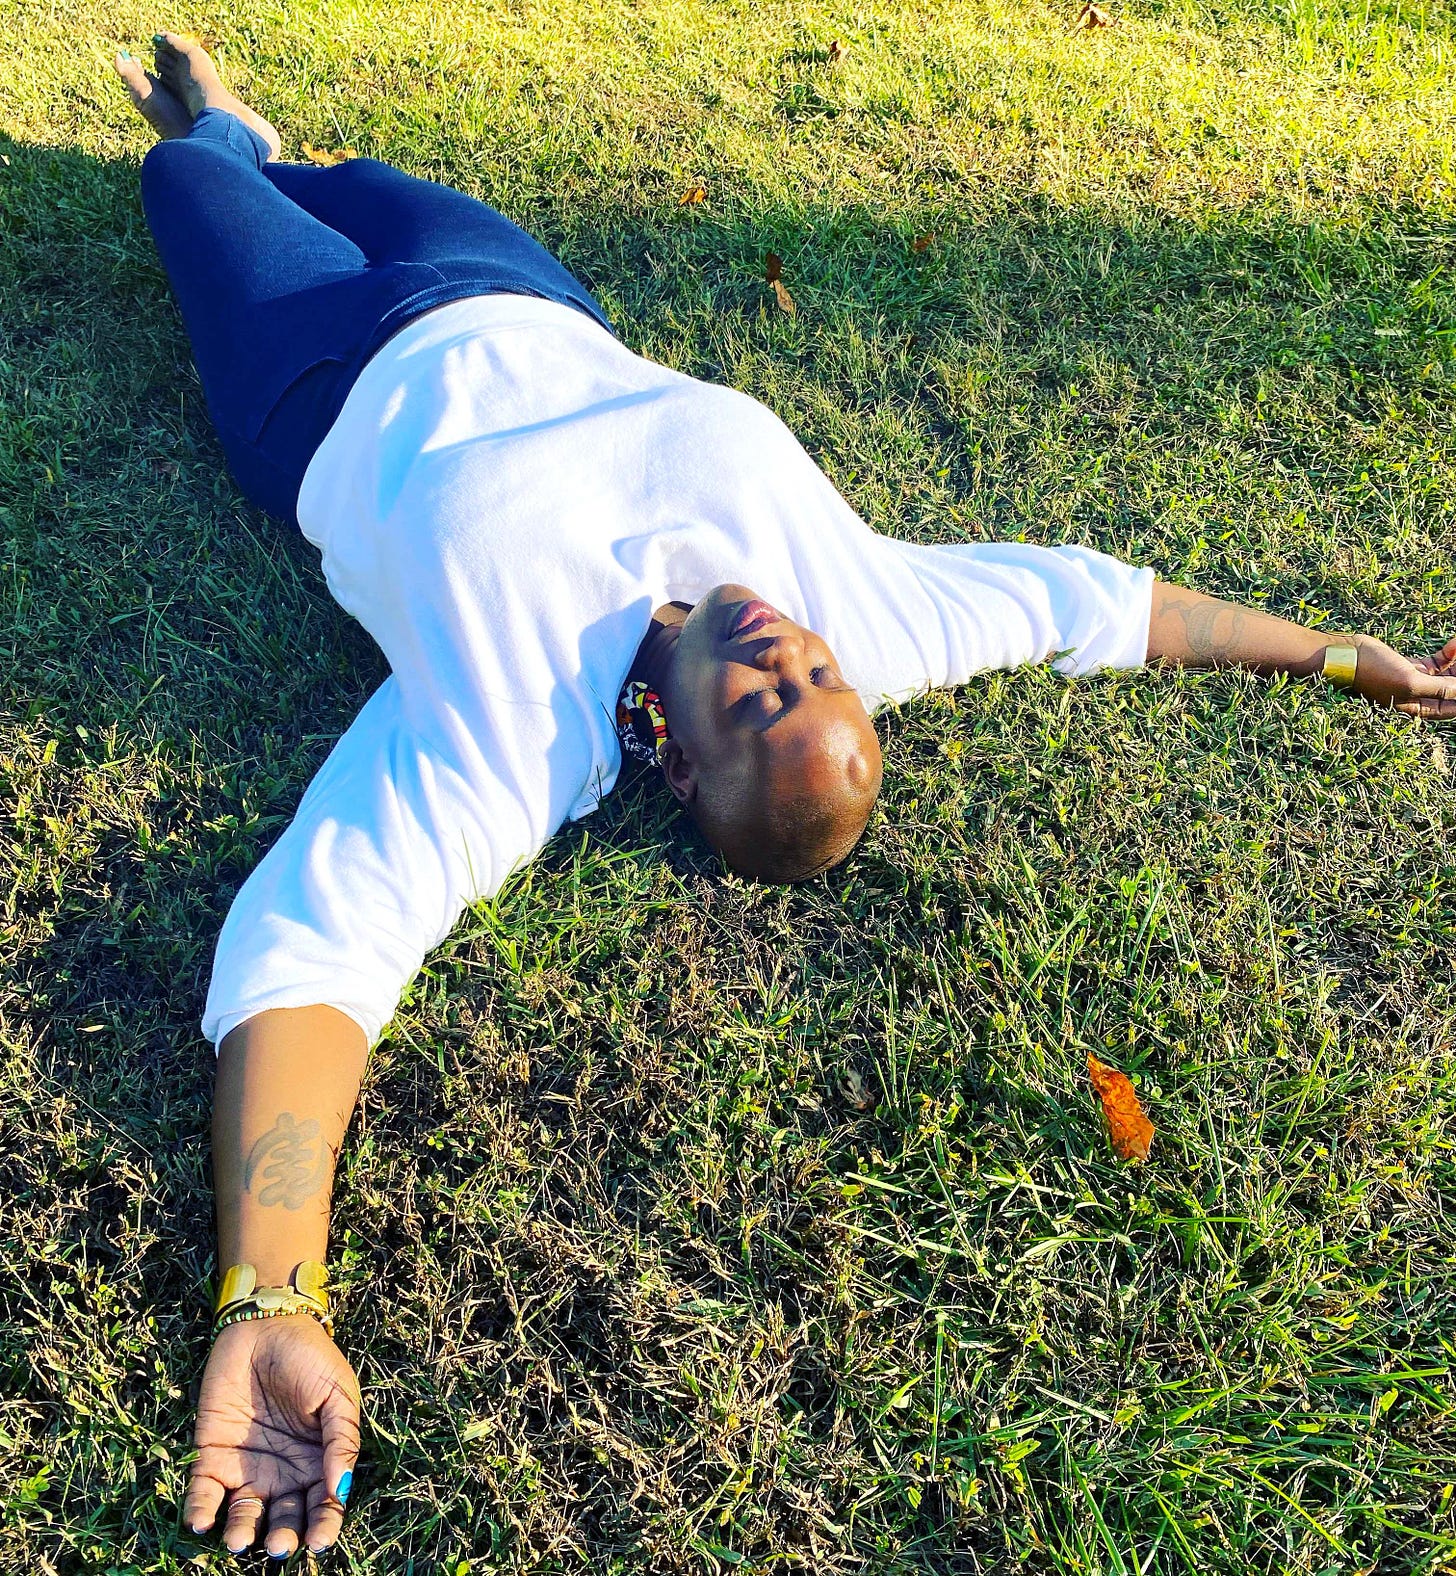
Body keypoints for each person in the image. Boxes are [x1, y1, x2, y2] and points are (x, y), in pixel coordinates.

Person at [112, 32, 1456, 1559]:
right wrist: (1344, 657)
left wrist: (271, 1292)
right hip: (516, 291)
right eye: (816, 681)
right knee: (346, 173)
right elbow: (1099, 605)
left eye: (763, 698)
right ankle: (286, 158)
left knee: (190, 167)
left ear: (677, 760)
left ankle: (229, 142)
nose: (786, 650)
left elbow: (315, 953)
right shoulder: (869, 622)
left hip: (318, 368)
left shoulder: (509, 736)